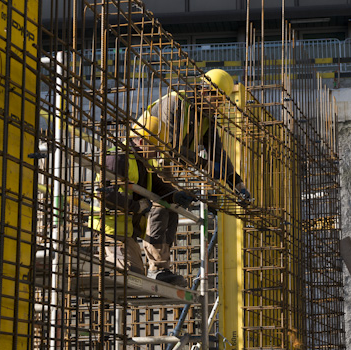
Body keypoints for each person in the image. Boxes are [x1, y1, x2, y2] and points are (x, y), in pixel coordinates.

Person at [142, 69, 250, 286]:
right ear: (204, 91)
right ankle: (155, 268)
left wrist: (237, 183)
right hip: (143, 155)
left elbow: (218, 153)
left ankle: (162, 267)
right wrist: (205, 165)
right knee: (162, 204)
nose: (218, 105)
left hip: (163, 162)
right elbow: (169, 147)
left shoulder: (206, 116)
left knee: (172, 210)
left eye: (221, 101)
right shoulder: (175, 104)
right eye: (216, 99)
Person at [90, 114, 192, 285]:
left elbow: (157, 186)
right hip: (111, 231)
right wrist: (136, 206)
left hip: (128, 231)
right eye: (156, 147)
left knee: (169, 207)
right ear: (142, 142)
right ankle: (95, 256)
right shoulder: (118, 158)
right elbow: (104, 193)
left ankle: (159, 267)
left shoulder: (141, 161)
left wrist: (175, 195)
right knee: (131, 277)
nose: (159, 152)